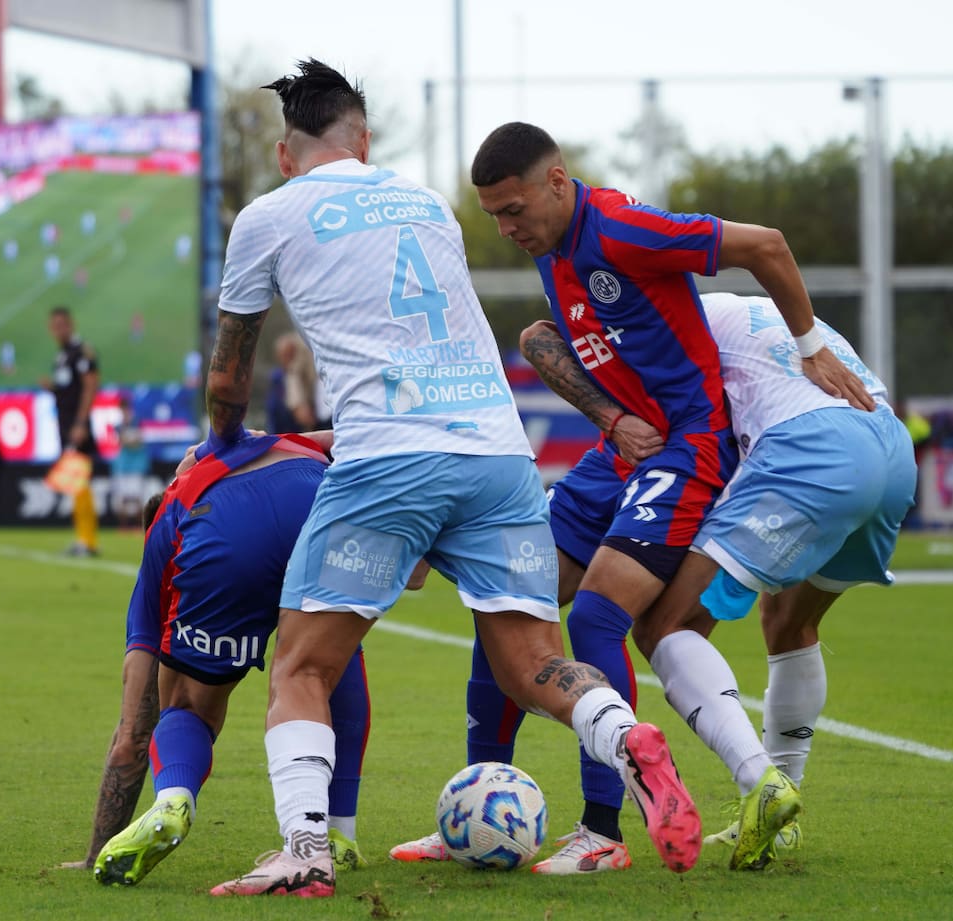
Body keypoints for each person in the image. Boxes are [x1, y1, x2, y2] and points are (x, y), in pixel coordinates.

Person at [199, 60, 694, 899]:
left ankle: (306, 851)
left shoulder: (268, 216)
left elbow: (229, 377)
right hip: (499, 457)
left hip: (389, 460)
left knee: (301, 669)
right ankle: (625, 738)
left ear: (286, 154)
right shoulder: (427, 204)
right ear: (364, 141)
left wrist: (221, 446)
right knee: (534, 664)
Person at [406, 121, 872, 874]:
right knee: (505, 599)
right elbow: (551, 340)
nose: (506, 228)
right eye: (493, 215)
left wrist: (811, 344)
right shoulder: (550, 245)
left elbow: (767, 245)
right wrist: (611, 419)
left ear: (558, 182)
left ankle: (604, 832)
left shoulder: (623, 228)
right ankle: (475, 801)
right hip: (620, 453)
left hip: (688, 447)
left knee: (595, 616)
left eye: (514, 209)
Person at [83, 431, 374, 885]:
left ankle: (173, 800)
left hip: (226, 528)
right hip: (321, 498)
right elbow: (355, 434)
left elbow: (133, 732)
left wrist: (95, 854)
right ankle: (339, 835)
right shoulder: (274, 441)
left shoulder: (168, 529)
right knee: (328, 658)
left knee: (187, 706)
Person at [45, 305, 101, 556]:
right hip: (66, 426)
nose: (59, 330)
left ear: (71, 324)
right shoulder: (63, 355)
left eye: (62, 325)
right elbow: (69, 389)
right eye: (55, 326)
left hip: (77, 427)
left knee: (80, 482)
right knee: (76, 483)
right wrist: (53, 389)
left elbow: (91, 384)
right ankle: (83, 539)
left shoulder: (81, 352)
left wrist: (80, 422)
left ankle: (87, 541)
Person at [110, 396, 150, 531]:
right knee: (122, 497)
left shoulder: (138, 422)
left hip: (137, 465)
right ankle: (124, 526)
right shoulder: (118, 426)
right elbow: (124, 441)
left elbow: (136, 442)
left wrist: (129, 439)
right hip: (123, 466)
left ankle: (138, 526)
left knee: (137, 497)